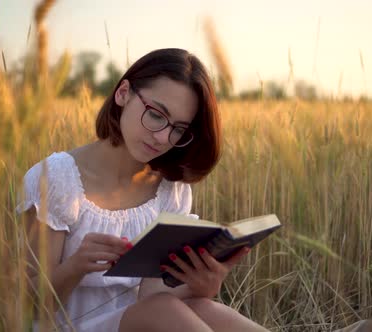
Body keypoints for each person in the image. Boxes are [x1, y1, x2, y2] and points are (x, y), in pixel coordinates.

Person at [16, 48, 269, 332]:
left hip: (141, 320)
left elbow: (151, 297)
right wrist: (76, 265)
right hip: (65, 325)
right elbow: (29, 308)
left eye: (179, 129)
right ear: (123, 93)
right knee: (166, 310)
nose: (163, 137)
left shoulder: (170, 190)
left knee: (204, 308)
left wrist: (202, 287)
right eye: (157, 115)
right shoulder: (57, 179)